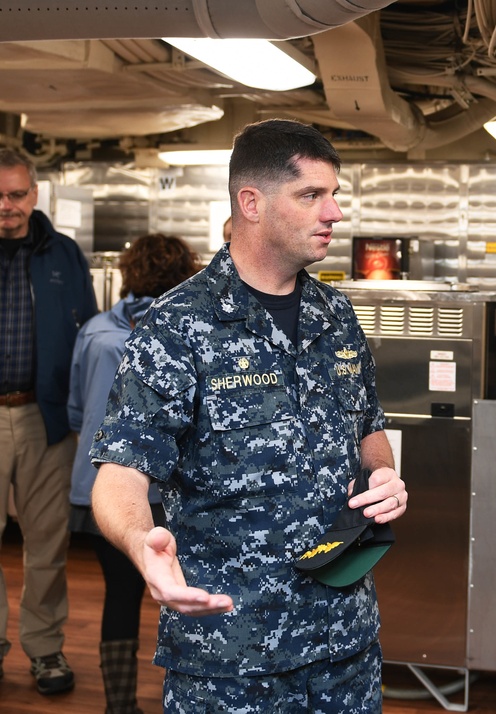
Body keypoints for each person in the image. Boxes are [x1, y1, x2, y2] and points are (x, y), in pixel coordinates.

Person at [89, 118, 407, 713]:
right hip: (233, 659)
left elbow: (368, 428)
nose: (334, 212)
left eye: (335, 194)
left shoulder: (335, 314)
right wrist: (139, 543)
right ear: (251, 202)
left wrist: (383, 473)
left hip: (346, 647)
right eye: (312, 195)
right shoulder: (179, 325)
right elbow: (121, 473)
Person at [68, 233, 201, 713]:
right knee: (185, 596)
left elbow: (76, 411)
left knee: (120, 597)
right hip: (166, 495)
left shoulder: (97, 330)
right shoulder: (187, 331)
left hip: (99, 491)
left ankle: (119, 704)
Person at [0, 147, 98, 694]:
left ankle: (45, 648)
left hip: (45, 418)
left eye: (16, 194)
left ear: (34, 194)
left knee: (46, 544)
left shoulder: (62, 255)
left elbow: (85, 339)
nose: (6, 206)